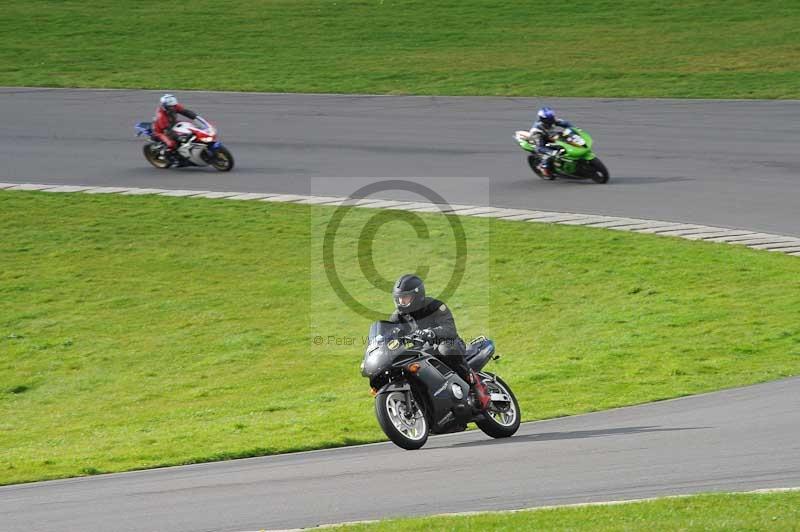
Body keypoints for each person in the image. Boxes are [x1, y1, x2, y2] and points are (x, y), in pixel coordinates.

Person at [388, 274, 490, 410]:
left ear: (417, 295)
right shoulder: (398, 316)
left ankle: (476, 385)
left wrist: (431, 332)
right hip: (423, 352)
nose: (401, 302)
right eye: (399, 299)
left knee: (446, 350)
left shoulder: (435, 306)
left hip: (450, 343)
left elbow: (450, 329)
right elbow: (388, 333)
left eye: (405, 298)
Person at [528, 106, 572, 177]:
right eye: (549, 118)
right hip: (540, 141)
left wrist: (573, 129)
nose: (551, 119)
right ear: (543, 119)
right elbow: (539, 146)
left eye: (552, 117)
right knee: (551, 153)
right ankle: (543, 167)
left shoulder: (553, 120)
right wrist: (551, 139)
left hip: (550, 135)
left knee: (565, 141)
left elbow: (565, 124)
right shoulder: (537, 129)